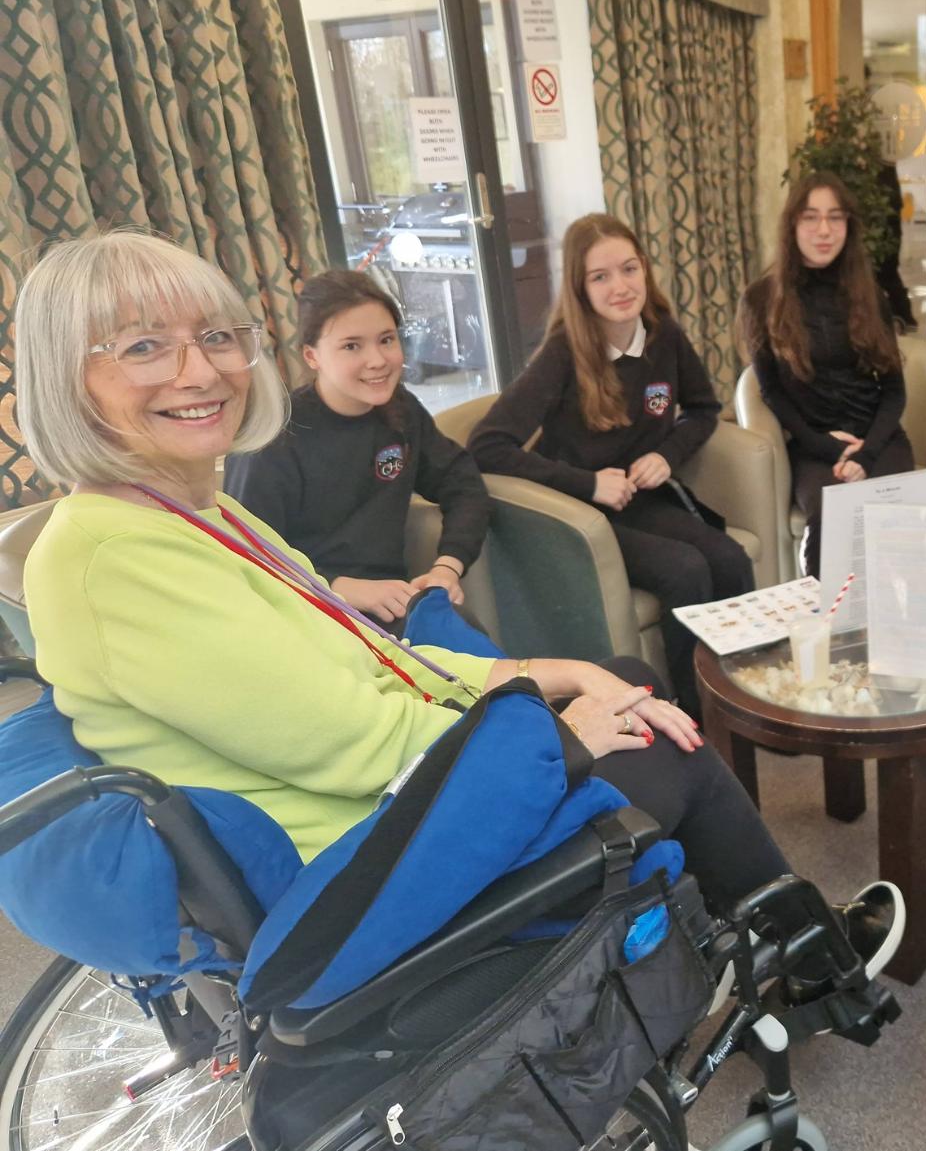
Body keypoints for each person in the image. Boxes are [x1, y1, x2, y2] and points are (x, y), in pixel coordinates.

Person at [13, 231, 791, 931]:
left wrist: (555, 674)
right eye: (145, 346)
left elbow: (382, 664)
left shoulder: (204, 512)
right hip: (369, 865)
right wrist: (558, 738)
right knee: (660, 743)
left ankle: (743, 935)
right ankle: (805, 958)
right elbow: (353, 740)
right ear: (66, 379)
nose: (201, 369)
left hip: (397, 803)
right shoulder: (109, 556)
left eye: (215, 336)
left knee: (619, 679)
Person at [468, 214, 754, 720]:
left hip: (644, 500)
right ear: (580, 288)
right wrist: (588, 483)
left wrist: (668, 455)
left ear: (645, 269)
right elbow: (487, 445)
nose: (620, 286)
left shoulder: (663, 336)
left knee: (730, 559)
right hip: (583, 512)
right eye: (601, 277)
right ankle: (695, 716)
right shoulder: (562, 354)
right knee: (684, 571)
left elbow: (704, 409)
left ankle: (745, 698)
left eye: (628, 269)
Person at [224, 269, 487, 632]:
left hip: (395, 610)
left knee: (496, 669)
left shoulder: (401, 411)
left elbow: (464, 484)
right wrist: (337, 587)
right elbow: (247, 556)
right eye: (352, 346)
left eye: (386, 340)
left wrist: (447, 567)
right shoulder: (272, 436)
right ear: (312, 356)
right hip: (308, 617)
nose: (377, 360)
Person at [743, 171, 911, 577]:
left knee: (889, 515)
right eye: (810, 217)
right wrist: (824, 446)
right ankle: (827, 628)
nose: (824, 230)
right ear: (792, 226)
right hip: (813, 444)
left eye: (835, 218)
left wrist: (866, 452)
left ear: (848, 227)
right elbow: (772, 392)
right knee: (833, 515)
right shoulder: (762, 299)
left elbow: (893, 391)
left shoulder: (870, 294)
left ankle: (897, 628)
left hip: (879, 439)